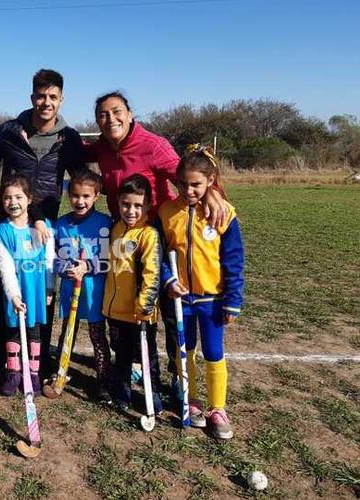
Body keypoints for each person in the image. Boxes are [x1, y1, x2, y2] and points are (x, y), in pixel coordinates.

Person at [86, 91, 229, 396]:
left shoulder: (153, 145)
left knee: (166, 305)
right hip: (123, 236)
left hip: (157, 236)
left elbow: (188, 174)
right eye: (103, 114)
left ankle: (178, 374)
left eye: (116, 111)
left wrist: (213, 191)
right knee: (127, 303)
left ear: (130, 113)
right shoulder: (101, 147)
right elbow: (75, 152)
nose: (110, 119)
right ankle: (136, 362)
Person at [0, 68, 86, 376]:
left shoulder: (70, 138)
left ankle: (40, 361)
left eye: (53, 96)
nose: (46, 102)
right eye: (41, 96)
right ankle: (5, 358)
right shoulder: (8, 130)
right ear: (32, 97)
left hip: (44, 228)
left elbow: (81, 180)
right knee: (6, 288)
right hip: (10, 225)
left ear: (61, 99)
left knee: (44, 291)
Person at [158, 145, 244, 439]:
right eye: (182, 183)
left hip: (213, 300)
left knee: (214, 352)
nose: (188, 190)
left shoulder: (224, 213)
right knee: (185, 352)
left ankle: (218, 408)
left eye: (196, 184)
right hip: (181, 300)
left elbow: (233, 259)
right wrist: (169, 280)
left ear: (211, 181)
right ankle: (191, 401)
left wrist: (233, 301)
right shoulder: (167, 212)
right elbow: (158, 255)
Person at [102, 174, 163, 413]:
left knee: (148, 355)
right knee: (122, 353)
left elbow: (152, 273)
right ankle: (123, 391)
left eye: (138, 205)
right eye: (126, 204)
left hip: (140, 313)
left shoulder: (148, 234)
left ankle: (152, 392)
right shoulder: (115, 228)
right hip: (115, 310)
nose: (131, 210)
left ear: (147, 205)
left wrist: (145, 305)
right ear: (118, 202)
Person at [51, 170, 111, 403]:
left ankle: (104, 379)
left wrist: (89, 266)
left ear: (96, 196)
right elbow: (52, 258)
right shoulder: (61, 225)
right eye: (75, 196)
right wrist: (65, 267)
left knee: (97, 336)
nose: (80, 201)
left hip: (94, 291)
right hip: (70, 290)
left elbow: (110, 260)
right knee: (68, 331)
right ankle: (61, 371)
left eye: (86, 196)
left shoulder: (105, 223)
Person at [0, 173, 55, 396]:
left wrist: (49, 287)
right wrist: (14, 296)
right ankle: (14, 372)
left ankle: (34, 373)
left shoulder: (43, 226)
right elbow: (5, 267)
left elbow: (50, 260)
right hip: (16, 290)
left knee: (34, 330)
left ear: (29, 199)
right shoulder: (2, 231)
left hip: (36, 288)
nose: (13, 202)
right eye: (7, 198)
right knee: (13, 329)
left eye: (18, 197)